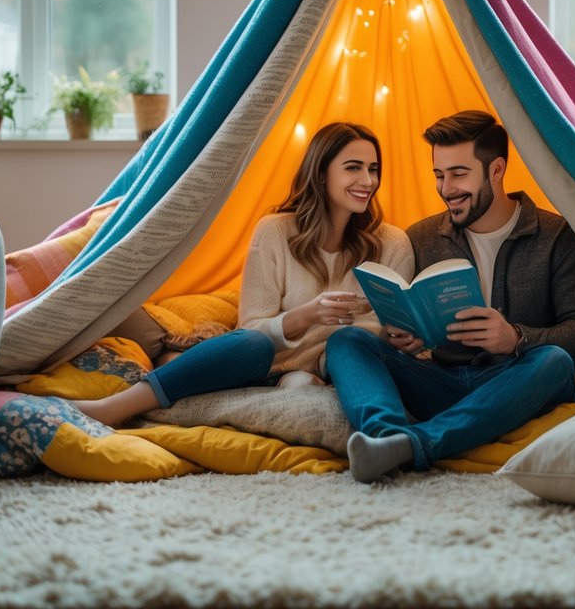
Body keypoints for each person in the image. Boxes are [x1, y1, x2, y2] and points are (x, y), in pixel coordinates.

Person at [325, 110, 575, 482]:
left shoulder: (557, 236)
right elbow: (404, 316)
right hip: (438, 379)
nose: (446, 189)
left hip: (513, 382)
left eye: (459, 174)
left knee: (554, 361)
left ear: (496, 170)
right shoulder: (421, 237)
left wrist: (516, 338)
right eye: (439, 176)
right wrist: (400, 337)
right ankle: (385, 438)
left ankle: (410, 444)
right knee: (347, 340)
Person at [72, 121, 413, 426]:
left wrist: (399, 338)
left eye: (373, 169)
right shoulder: (275, 232)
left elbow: (384, 334)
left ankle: (305, 389)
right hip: (264, 366)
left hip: (344, 372)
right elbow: (250, 328)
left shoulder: (393, 244)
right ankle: (117, 406)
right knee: (252, 344)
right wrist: (306, 315)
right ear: (321, 174)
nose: (368, 181)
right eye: (353, 168)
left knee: (339, 353)